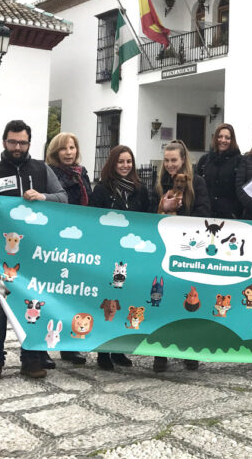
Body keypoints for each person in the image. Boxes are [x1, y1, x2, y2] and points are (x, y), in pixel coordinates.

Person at [0, 120, 68, 382]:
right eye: (13, 142)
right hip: (0, 256)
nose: (17, 147)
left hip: (35, 256)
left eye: (22, 142)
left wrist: (43, 197)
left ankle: (31, 359)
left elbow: (63, 197)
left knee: (33, 307)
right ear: (4, 142)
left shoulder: (41, 169)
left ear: (29, 143)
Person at [149, 140, 211, 372]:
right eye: (166, 160)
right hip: (164, 247)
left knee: (190, 300)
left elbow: (205, 212)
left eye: (174, 160)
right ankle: (160, 352)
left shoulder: (198, 183)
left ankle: (189, 348)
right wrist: (162, 208)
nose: (170, 164)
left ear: (183, 160)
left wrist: (181, 214)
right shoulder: (159, 184)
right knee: (163, 298)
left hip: (189, 249)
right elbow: (148, 214)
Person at [89, 144, 148, 371]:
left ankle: (120, 348)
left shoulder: (139, 190)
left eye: (129, 162)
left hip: (131, 254)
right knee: (108, 302)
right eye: (121, 162)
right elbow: (93, 218)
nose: (125, 166)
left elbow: (147, 217)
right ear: (113, 164)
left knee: (126, 300)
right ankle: (104, 351)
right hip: (108, 253)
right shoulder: (102, 189)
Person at [45, 132, 93, 367]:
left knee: (75, 295)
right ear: (55, 151)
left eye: (72, 148)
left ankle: (69, 346)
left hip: (80, 242)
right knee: (53, 294)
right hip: (58, 240)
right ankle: (43, 346)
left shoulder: (81, 173)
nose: (68, 152)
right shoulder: (48, 173)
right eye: (63, 148)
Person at [194, 123, 243, 219]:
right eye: (220, 136)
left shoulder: (240, 161)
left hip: (229, 216)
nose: (223, 140)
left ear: (232, 140)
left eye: (227, 138)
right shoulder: (204, 160)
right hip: (205, 214)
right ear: (215, 138)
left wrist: (235, 212)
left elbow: (241, 189)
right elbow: (196, 185)